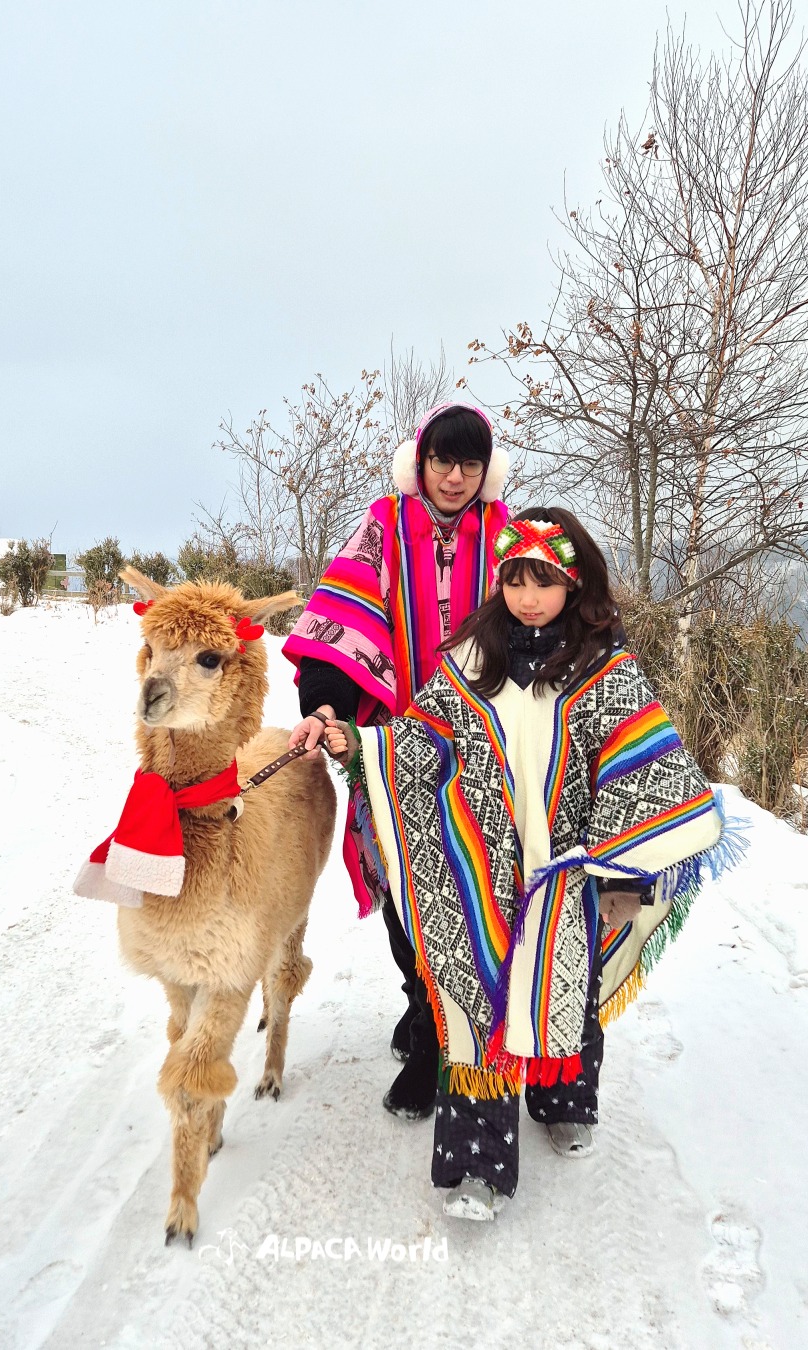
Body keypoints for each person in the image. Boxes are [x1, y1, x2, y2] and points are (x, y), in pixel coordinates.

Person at [322, 507, 742, 1220]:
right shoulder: (470, 661)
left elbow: (639, 770)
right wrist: (360, 746)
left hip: (568, 871)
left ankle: (563, 1099)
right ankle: (476, 1168)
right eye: (515, 580)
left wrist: (621, 875)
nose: (527, 597)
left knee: (565, 991)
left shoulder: (606, 670)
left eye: (543, 581)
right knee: (478, 1006)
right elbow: (424, 740)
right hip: (481, 864)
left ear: (573, 583)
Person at [282, 403, 510, 1120]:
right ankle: (423, 1010)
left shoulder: (507, 537)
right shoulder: (383, 527)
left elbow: (547, 622)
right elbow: (339, 623)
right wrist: (324, 705)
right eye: (442, 460)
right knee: (406, 892)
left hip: (480, 753)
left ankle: (444, 1040)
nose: (454, 477)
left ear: (487, 472)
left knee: (467, 891)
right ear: (420, 462)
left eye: (470, 464)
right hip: (388, 747)